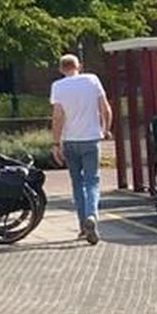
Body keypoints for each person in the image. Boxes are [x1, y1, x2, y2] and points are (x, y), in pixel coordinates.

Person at [49, 51, 113, 245]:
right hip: (91, 139)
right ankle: (92, 215)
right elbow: (105, 108)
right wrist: (105, 130)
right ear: (79, 66)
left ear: (61, 69)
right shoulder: (92, 80)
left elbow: (58, 116)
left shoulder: (58, 86)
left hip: (70, 140)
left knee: (77, 183)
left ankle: (82, 226)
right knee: (92, 181)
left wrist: (56, 143)